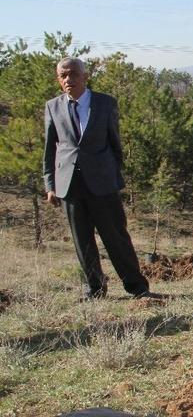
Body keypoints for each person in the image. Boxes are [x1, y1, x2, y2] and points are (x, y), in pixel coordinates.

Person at [43, 57, 151, 300]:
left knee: (115, 236)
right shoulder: (53, 106)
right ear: (59, 79)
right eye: (63, 75)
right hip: (69, 184)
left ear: (85, 76)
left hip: (102, 183)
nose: (68, 79)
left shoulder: (105, 103)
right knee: (82, 241)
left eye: (73, 74)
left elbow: (115, 145)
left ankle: (137, 286)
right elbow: (50, 149)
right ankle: (95, 288)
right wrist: (50, 185)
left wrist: (111, 175)